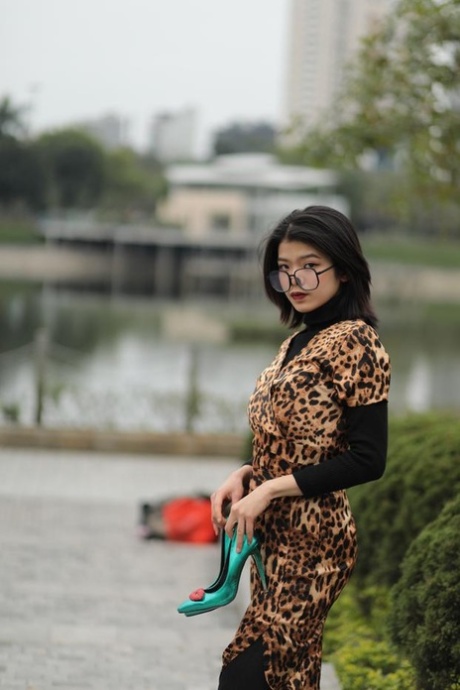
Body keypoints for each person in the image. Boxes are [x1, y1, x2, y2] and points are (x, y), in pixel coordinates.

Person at [211, 206, 391, 690]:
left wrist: (270, 491)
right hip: (273, 541)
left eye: (310, 265)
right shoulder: (297, 342)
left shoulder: (357, 343)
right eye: (285, 268)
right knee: (288, 678)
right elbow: (295, 441)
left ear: (345, 270)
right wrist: (247, 474)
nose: (295, 279)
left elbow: (368, 458)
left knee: (248, 676)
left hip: (316, 544)